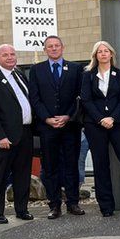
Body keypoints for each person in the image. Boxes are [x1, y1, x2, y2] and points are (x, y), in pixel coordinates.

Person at [80, 41, 120, 217]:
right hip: (95, 125)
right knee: (101, 165)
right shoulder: (88, 75)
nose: (103, 54)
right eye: (99, 51)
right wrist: (101, 118)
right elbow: (86, 100)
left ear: (111, 54)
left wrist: (112, 118)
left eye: (106, 51)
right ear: (95, 55)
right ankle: (106, 207)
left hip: (117, 123)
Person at [28, 35, 85, 219]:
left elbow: (79, 96)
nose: (53, 49)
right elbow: (34, 98)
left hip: (70, 126)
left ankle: (73, 202)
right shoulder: (37, 70)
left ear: (63, 47)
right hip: (47, 127)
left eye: (56, 46)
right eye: (50, 46)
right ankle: (54, 205)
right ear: (45, 50)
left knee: (71, 165)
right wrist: (46, 118)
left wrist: (68, 116)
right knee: (50, 167)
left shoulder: (76, 69)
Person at [0, 45, 35, 224]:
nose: (10, 57)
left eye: (12, 54)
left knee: (23, 174)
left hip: (24, 133)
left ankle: (21, 209)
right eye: (5, 55)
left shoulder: (18, 74)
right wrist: (0, 136)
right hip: (3, 138)